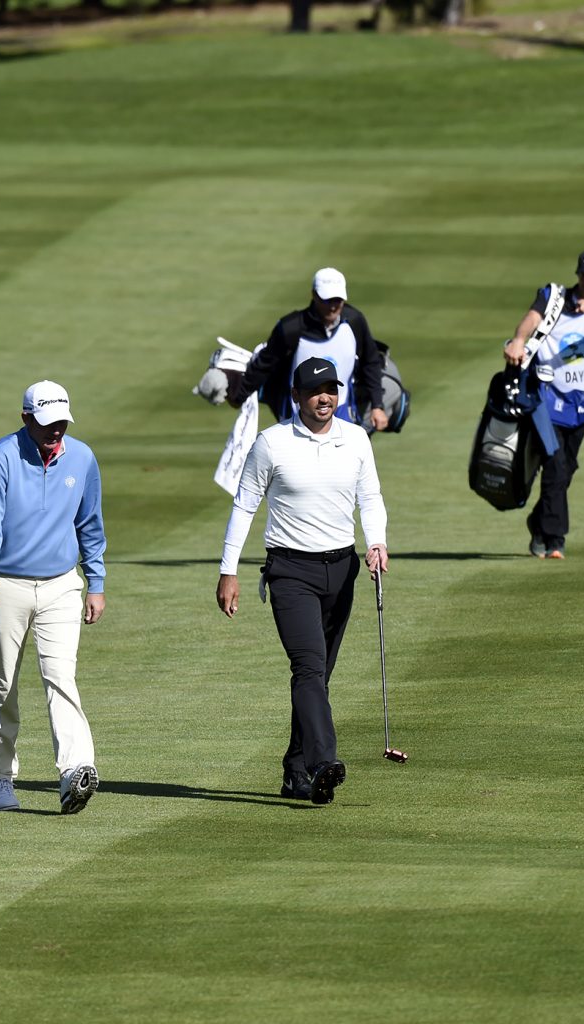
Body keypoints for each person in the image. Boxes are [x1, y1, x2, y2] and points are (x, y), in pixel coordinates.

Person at [216, 357, 389, 805]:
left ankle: (295, 772)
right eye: (314, 391)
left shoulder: (355, 439)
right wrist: (227, 571)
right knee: (309, 668)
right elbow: (244, 505)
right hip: (290, 571)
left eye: (330, 389)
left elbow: (369, 496)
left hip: (342, 568)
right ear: (296, 397)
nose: (324, 398)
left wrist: (377, 542)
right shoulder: (271, 444)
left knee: (318, 676)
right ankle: (322, 762)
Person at [0, 380, 106, 814]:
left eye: (62, 422)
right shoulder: (3, 456)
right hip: (7, 586)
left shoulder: (82, 457)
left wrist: (96, 583)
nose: (55, 431)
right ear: (26, 418)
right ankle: (0, 778)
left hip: (62, 584)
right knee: (2, 686)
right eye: (47, 423)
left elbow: (90, 524)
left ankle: (74, 772)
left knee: (61, 677)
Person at [504, 248, 584, 560]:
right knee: (556, 467)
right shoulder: (552, 297)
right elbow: (530, 320)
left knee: (566, 469)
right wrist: (518, 340)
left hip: (581, 403)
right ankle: (554, 540)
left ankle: (537, 523)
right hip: (545, 398)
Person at [226, 267, 392, 433]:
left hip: (343, 414)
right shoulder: (290, 328)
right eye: (327, 300)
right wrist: (239, 396)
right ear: (314, 295)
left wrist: (377, 405)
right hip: (296, 417)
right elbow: (264, 365)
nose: (333, 307)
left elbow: (370, 362)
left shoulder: (355, 321)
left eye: (338, 300)